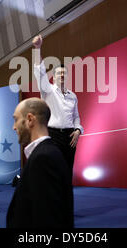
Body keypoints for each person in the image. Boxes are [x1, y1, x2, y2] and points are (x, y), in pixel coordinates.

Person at [6, 98, 74, 228]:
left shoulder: (43, 158)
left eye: (16, 119)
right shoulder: (45, 154)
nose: (14, 127)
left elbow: (48, 221)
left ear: (30, 119)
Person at [32, 34, 84, 178]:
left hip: (69, 137)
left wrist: (78, 130)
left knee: (67, 171)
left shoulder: (73, 96)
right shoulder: (47, 90)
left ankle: (65, 199)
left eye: (64, 73)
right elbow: (40, 73)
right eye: (59, 73)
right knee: (52, 171)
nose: (62, 75)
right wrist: (37, 48)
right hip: (52, 135)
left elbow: (76, 117)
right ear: (53, 77)